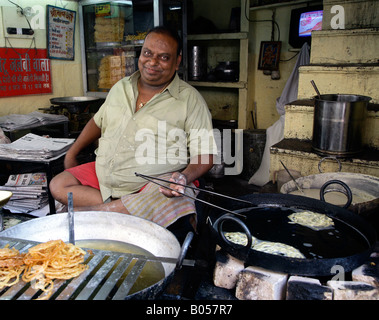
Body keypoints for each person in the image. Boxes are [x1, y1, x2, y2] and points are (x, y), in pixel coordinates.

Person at [49, 26, 217, 237]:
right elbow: (98, 121)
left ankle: (95, 214)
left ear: (177, 62)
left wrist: (183, 177)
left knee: (168, 197)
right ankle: (125, 209)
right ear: (141, 54)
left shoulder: (190, 100)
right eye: (147, 53)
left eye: (164, 57)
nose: (152, 62)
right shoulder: (120, 88)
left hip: (151, 185)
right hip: (106, 176)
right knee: (58, 184)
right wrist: (73, 152)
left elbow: (206, 155)